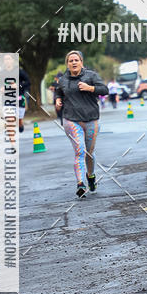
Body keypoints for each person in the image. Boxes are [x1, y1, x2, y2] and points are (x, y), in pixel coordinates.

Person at [54, 51, 108, 197]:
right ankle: (80, 184)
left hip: (91, 119)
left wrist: (90, 88)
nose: (73, 62)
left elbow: (105, 90)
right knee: (79, 151)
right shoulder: (63, 80)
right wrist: (58, 100)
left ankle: (90, 176)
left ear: (81, 62)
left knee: (89, 153)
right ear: (67, 64)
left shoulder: (91, 76)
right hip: (71, 120)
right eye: (70, 60)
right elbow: (59, 92)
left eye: (76, 60)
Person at [18, 66, 31, 133]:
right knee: (10, 117)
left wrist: (19, 85)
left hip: (19, 96)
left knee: (19, 117)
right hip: (7, 98)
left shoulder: (20, 71)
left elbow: (28, 82)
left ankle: (20, 123)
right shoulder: (3, 72)